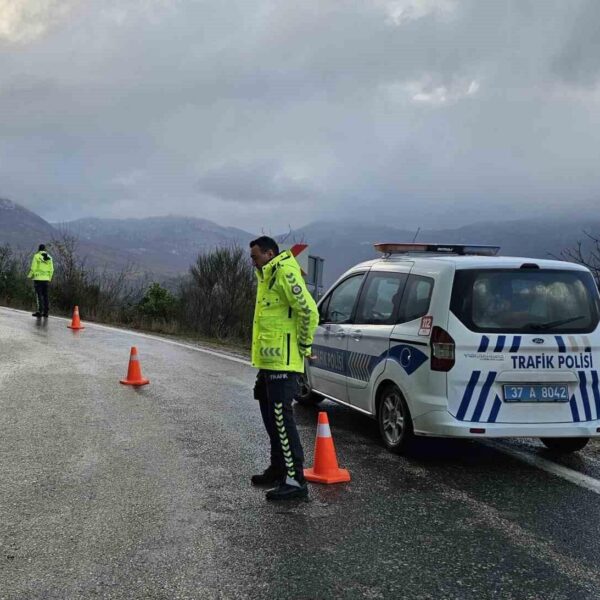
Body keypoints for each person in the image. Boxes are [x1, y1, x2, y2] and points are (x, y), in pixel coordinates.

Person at [249, 236, 319, 501]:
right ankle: (278, 468)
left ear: (269, 253)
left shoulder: (285, 273)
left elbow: (308, 311)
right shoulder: (267, 275)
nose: (252, 262)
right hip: (268, 360)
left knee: (281, 417)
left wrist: (303, 344)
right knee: (268, 411)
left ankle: (295, 479)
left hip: (284, 362)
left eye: (255, 256)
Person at [28, 244, 54, 318]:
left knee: (38, 295)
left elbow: (33, 268)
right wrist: (49, 278)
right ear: (45, 249)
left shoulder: (36, 256)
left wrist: (30, 276)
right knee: (45, 295)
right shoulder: (49, 257)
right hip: (46, 279)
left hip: (38, 279)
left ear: (39, 249)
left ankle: (40, 311)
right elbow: (52, 269)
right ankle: (46, 312)